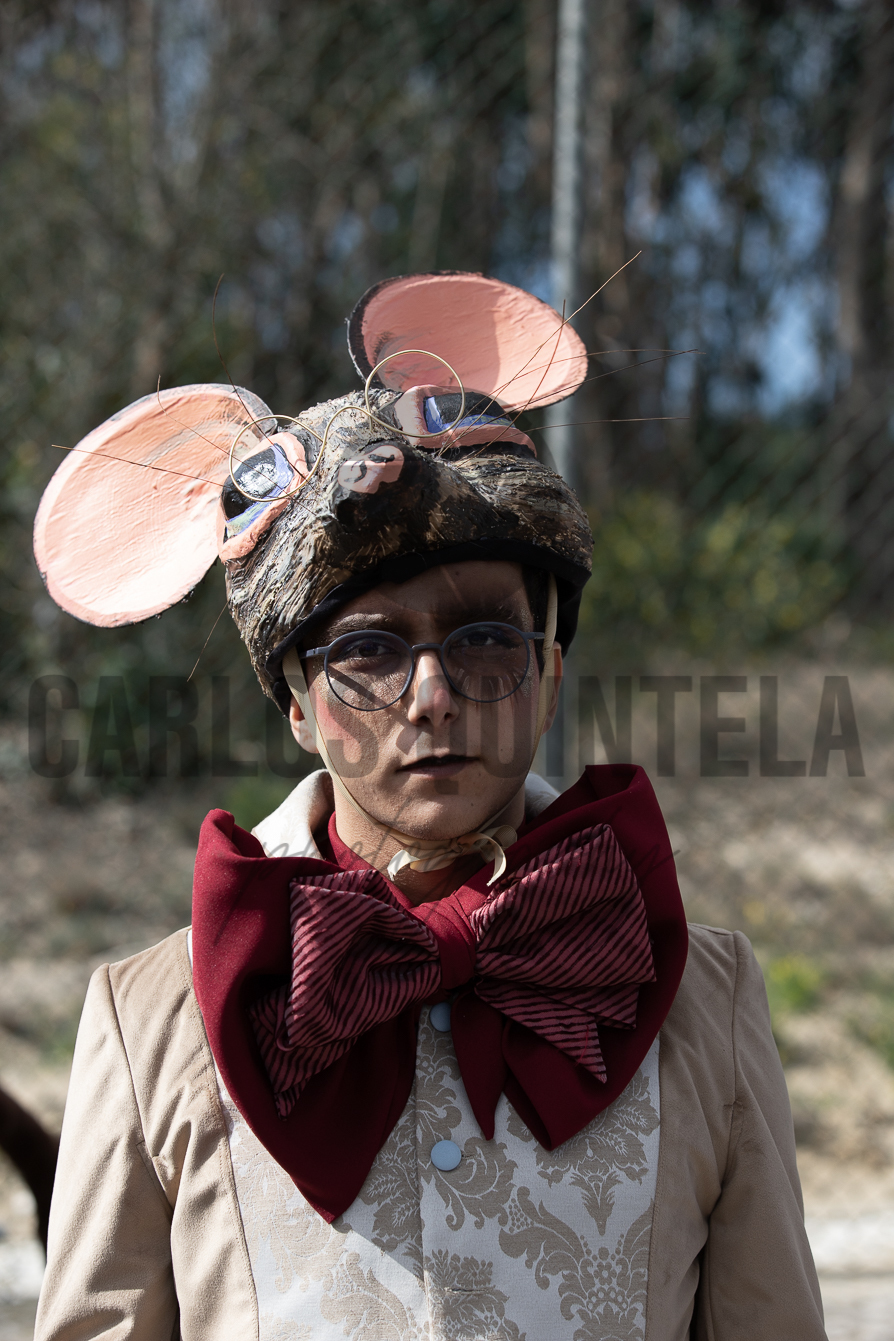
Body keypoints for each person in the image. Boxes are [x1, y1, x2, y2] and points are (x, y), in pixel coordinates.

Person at [32, 271, 826, 1339]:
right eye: (366, 650)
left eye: (487, 639)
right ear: (297, 702)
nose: (432, 694)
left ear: (550, 674)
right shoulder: (155, 1025)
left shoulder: (701, 1004)